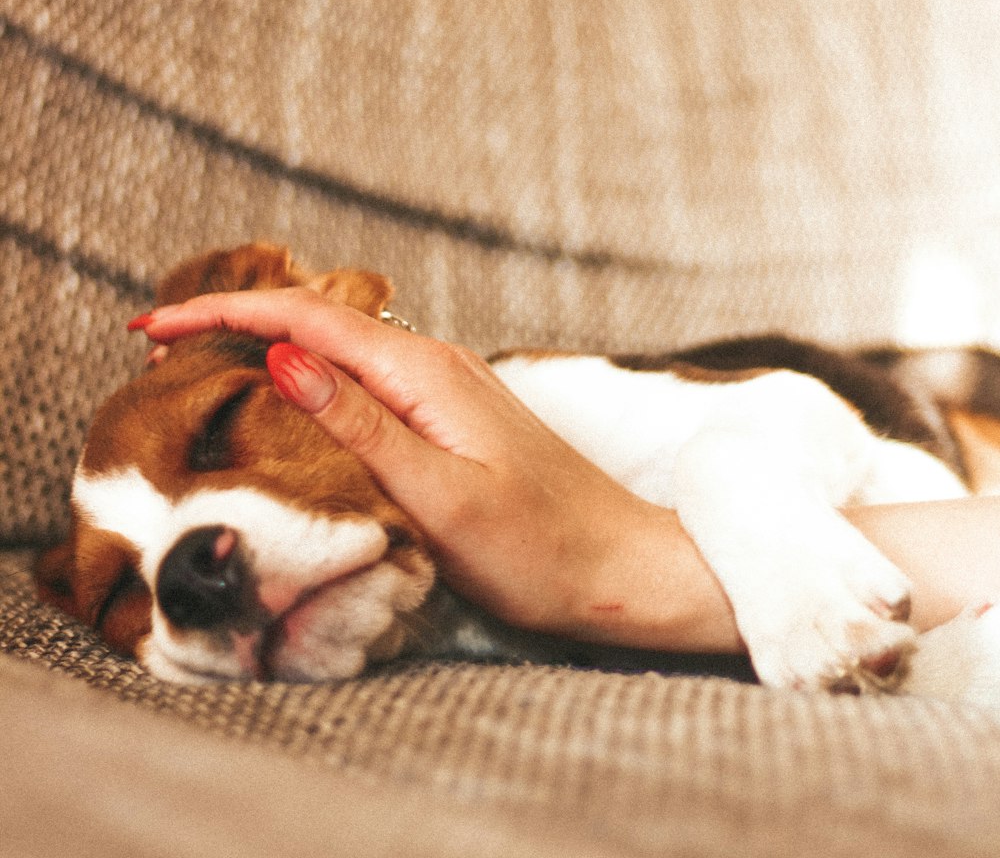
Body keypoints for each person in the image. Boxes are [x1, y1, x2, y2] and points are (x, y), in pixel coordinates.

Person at [133, 288, 1000, 653]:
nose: (178, 577)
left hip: (910, 415)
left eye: (218, 433)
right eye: (114, 596)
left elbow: (801, 412)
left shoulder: (536, 401)